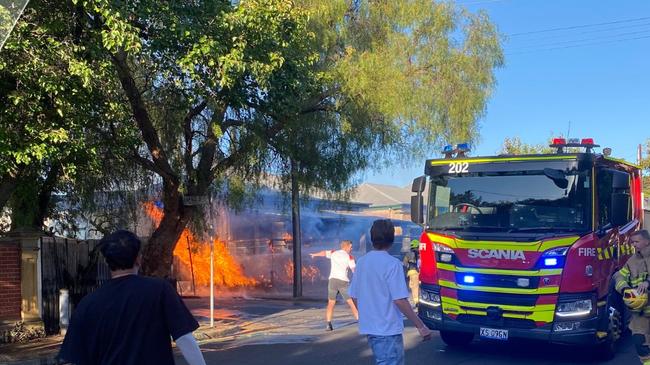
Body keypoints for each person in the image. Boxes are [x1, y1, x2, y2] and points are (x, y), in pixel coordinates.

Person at [57, 230, 207, 365]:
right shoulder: (160, 290)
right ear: (138, 259)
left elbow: (77, 358)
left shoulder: (87, 304)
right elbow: (184, 339)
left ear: (107, 262)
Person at [349, 219, 432, 365]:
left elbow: (354, 295)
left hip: (370, 328)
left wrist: (367, 315)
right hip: (388, 330)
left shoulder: (362, 262)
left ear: (372, 238)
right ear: (392, 239)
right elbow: (399, 300)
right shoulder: (392, 264)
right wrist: (420, 325)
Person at [614, 229, 650, 365]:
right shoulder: (632, 260)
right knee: (639, 342)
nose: (634, 245)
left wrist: (648, 282)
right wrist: (624, 288)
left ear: (647, 241)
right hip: (640, 313)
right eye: (632, 242)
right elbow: (619, 275)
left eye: (637, 241)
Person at [310, 240, 359, 331]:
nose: (351, 249)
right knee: (351, 303)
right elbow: (354, 270)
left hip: (332, 281)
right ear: (346, 247)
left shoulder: (334, 253)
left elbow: (324, 253)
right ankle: (360, 321)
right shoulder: (350, 257)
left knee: (331, 303)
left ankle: (328, 324)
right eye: (351, 247)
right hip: (343, 282)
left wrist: (315, 255)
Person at [402, 239, 420, 305]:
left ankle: (416, 301)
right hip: (417, 272)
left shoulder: (408, 254)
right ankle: (417, 302)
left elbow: (404, 264)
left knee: (413, 287)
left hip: (411, 272)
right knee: (415, 287)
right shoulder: (420, 254)